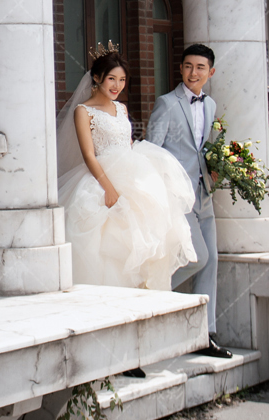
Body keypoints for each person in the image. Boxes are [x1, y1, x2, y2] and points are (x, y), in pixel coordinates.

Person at [56, 49, 197, 294]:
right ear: (97, 77)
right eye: (111, 79)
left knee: (146, 234)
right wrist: (109, 189)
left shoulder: (121, 108)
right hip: (102, 178)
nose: (117, 86)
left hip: (132, 175)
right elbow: (89, 155)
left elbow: (126, 142)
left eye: (122, 80)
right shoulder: (83, 111)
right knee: (107, 242)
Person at [146, 43, 232, 359]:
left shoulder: (210, 105)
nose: (193, 73)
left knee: (212, 262)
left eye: (200, 67)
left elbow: (208, 147)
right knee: (199, 258)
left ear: (211, 72)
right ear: (181, 69)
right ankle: (150, 295)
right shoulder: (167, 104)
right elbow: (151, 150)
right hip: (177, 196)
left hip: (204, 193)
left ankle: (205, 335)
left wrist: (222, 168)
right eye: (188, 66)